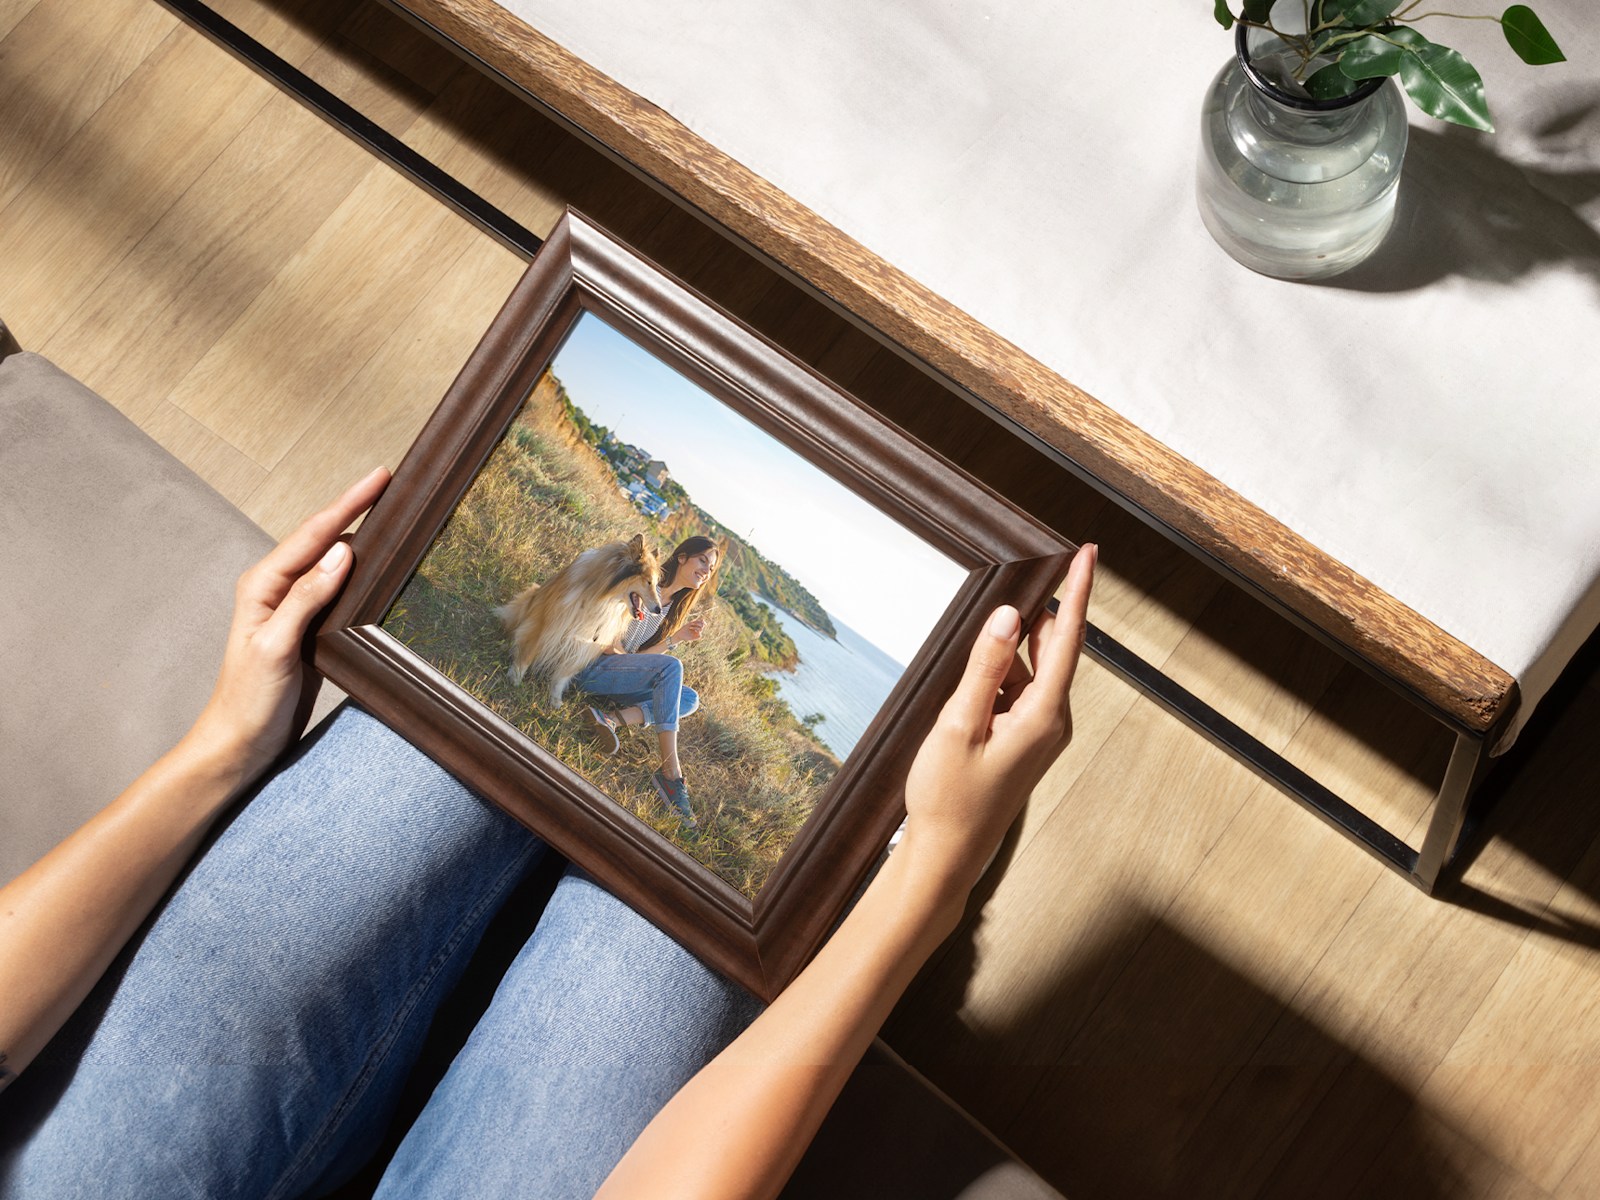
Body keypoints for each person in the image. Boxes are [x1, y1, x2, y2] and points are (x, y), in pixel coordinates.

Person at [0, 470, 1097, 1199]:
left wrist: (221, 748)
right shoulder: (660, 584)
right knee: (682, 909)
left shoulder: (672, 587)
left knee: (425, 749)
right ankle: (672, 796)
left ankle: (646, 784)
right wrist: (925, 885)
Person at [573, 535, 722, 827]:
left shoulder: (673, 610)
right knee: (671, 670)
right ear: (682, 557)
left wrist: (675, 638)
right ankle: (671, 775)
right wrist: (638, 661)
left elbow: (640, 657)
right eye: (702, 560)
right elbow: (609, 644)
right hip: (593, 667)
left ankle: (612, 719)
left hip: (618, 675)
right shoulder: (643, 583)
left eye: (711, 568)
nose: (706, 571)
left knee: (689, 698)